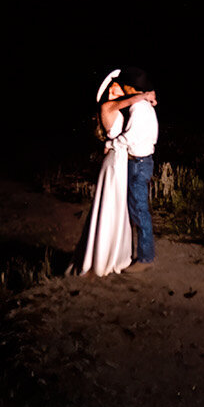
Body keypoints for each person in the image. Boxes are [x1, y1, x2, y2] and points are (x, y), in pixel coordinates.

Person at [70, 68, 157, 276]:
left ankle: (131, 254)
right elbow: (127, 105)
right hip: (120, 159)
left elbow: (130, 127)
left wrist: (145, 96)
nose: (117, 90)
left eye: (120, 87)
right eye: (114, 88)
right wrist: (144, 95)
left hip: (127, 160)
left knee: (128, 208)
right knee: (119, 206)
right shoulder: (110, 105)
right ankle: (111, 253)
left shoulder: (137, 107)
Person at [117, 64, 159, 271]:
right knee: (138, 209)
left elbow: (131, 136)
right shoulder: (144, 106)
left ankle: (145, 258)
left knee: (140, 210)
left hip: (139, 162)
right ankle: (143, 255)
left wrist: (112, 144)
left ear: (132, 89)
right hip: (142, 161)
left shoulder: (140, 108)